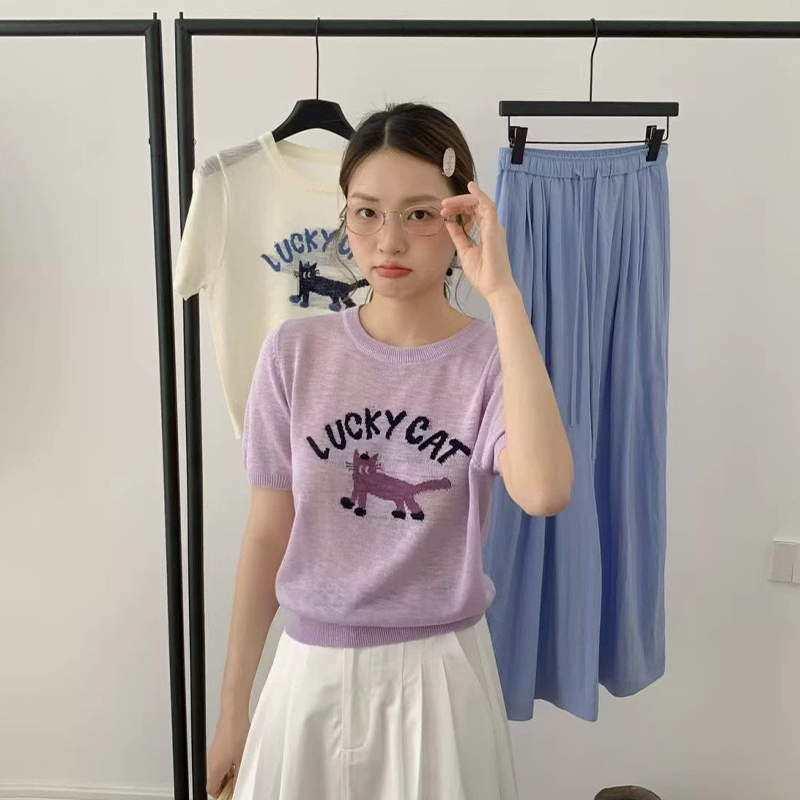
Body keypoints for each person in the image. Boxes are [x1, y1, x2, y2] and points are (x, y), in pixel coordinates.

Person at [206, 101, 574, 800]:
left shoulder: (493, 360)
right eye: (367, 212)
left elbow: (545, 491)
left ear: (462, 219)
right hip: (309, 673)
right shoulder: (295, 353)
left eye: (420, 214)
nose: (389, 241)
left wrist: (503, 295)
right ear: (344, 216)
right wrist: (232, 708)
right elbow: (267, 535)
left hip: (439, 678)